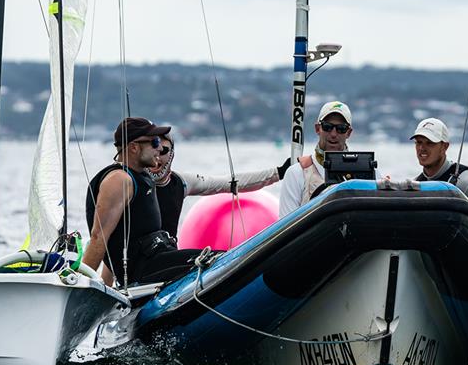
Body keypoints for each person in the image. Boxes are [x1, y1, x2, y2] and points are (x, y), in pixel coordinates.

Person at [83, 117, 202, 287]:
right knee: (213, 260)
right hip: (143, 273)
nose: (160, 148)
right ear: (133, 147)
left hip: (160, 259)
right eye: (154, 142)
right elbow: (98, 237)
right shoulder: (119, 180)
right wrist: (80, 286)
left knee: (219, 257)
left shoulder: (143, 176)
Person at [150, 132, 291, 237]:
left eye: (164, 150)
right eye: (153, 149)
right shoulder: (131, 181)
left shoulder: (182, 182)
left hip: (167, 256)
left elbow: (230, 182)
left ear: (172, 154)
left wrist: (278, 172)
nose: (157, 155)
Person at [411, 118, 468, 221]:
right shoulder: (417, 183)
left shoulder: (466, 182)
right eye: (418, 142)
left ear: (444, 147)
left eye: (430, 143)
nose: (422, 148)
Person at [278, 101, 353, 217]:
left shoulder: (369, 173)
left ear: (348, 133)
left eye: (341, 128)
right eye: (327, 127)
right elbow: (284, 226)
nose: (333, 134)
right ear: (318, 129)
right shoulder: (296, 173)